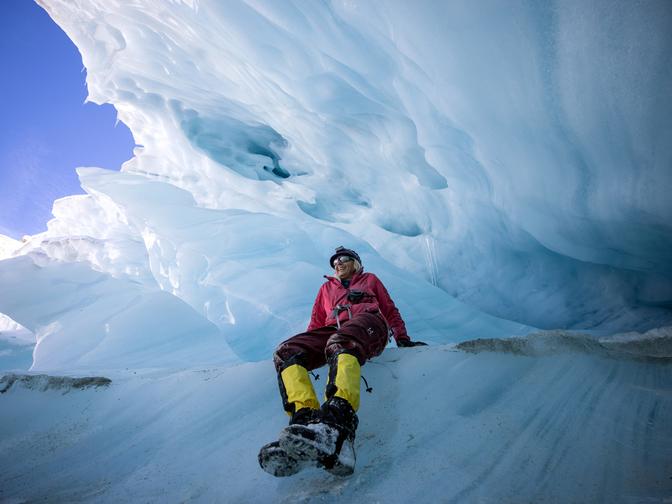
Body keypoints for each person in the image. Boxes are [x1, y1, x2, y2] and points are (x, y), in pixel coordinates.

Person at [259, 246, 426, 477]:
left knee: (342, 341)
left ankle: (337, 424)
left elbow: (389, 309)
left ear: (356, 263)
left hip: (369, 324)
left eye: (344, 259)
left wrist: (402, 338)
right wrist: (310, 349)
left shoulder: (370, 280)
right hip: (333, 329)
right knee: (287, 352)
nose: (338, 263)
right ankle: (305, 421)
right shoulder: (326, 288)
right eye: (335, 261)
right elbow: (316, 323)